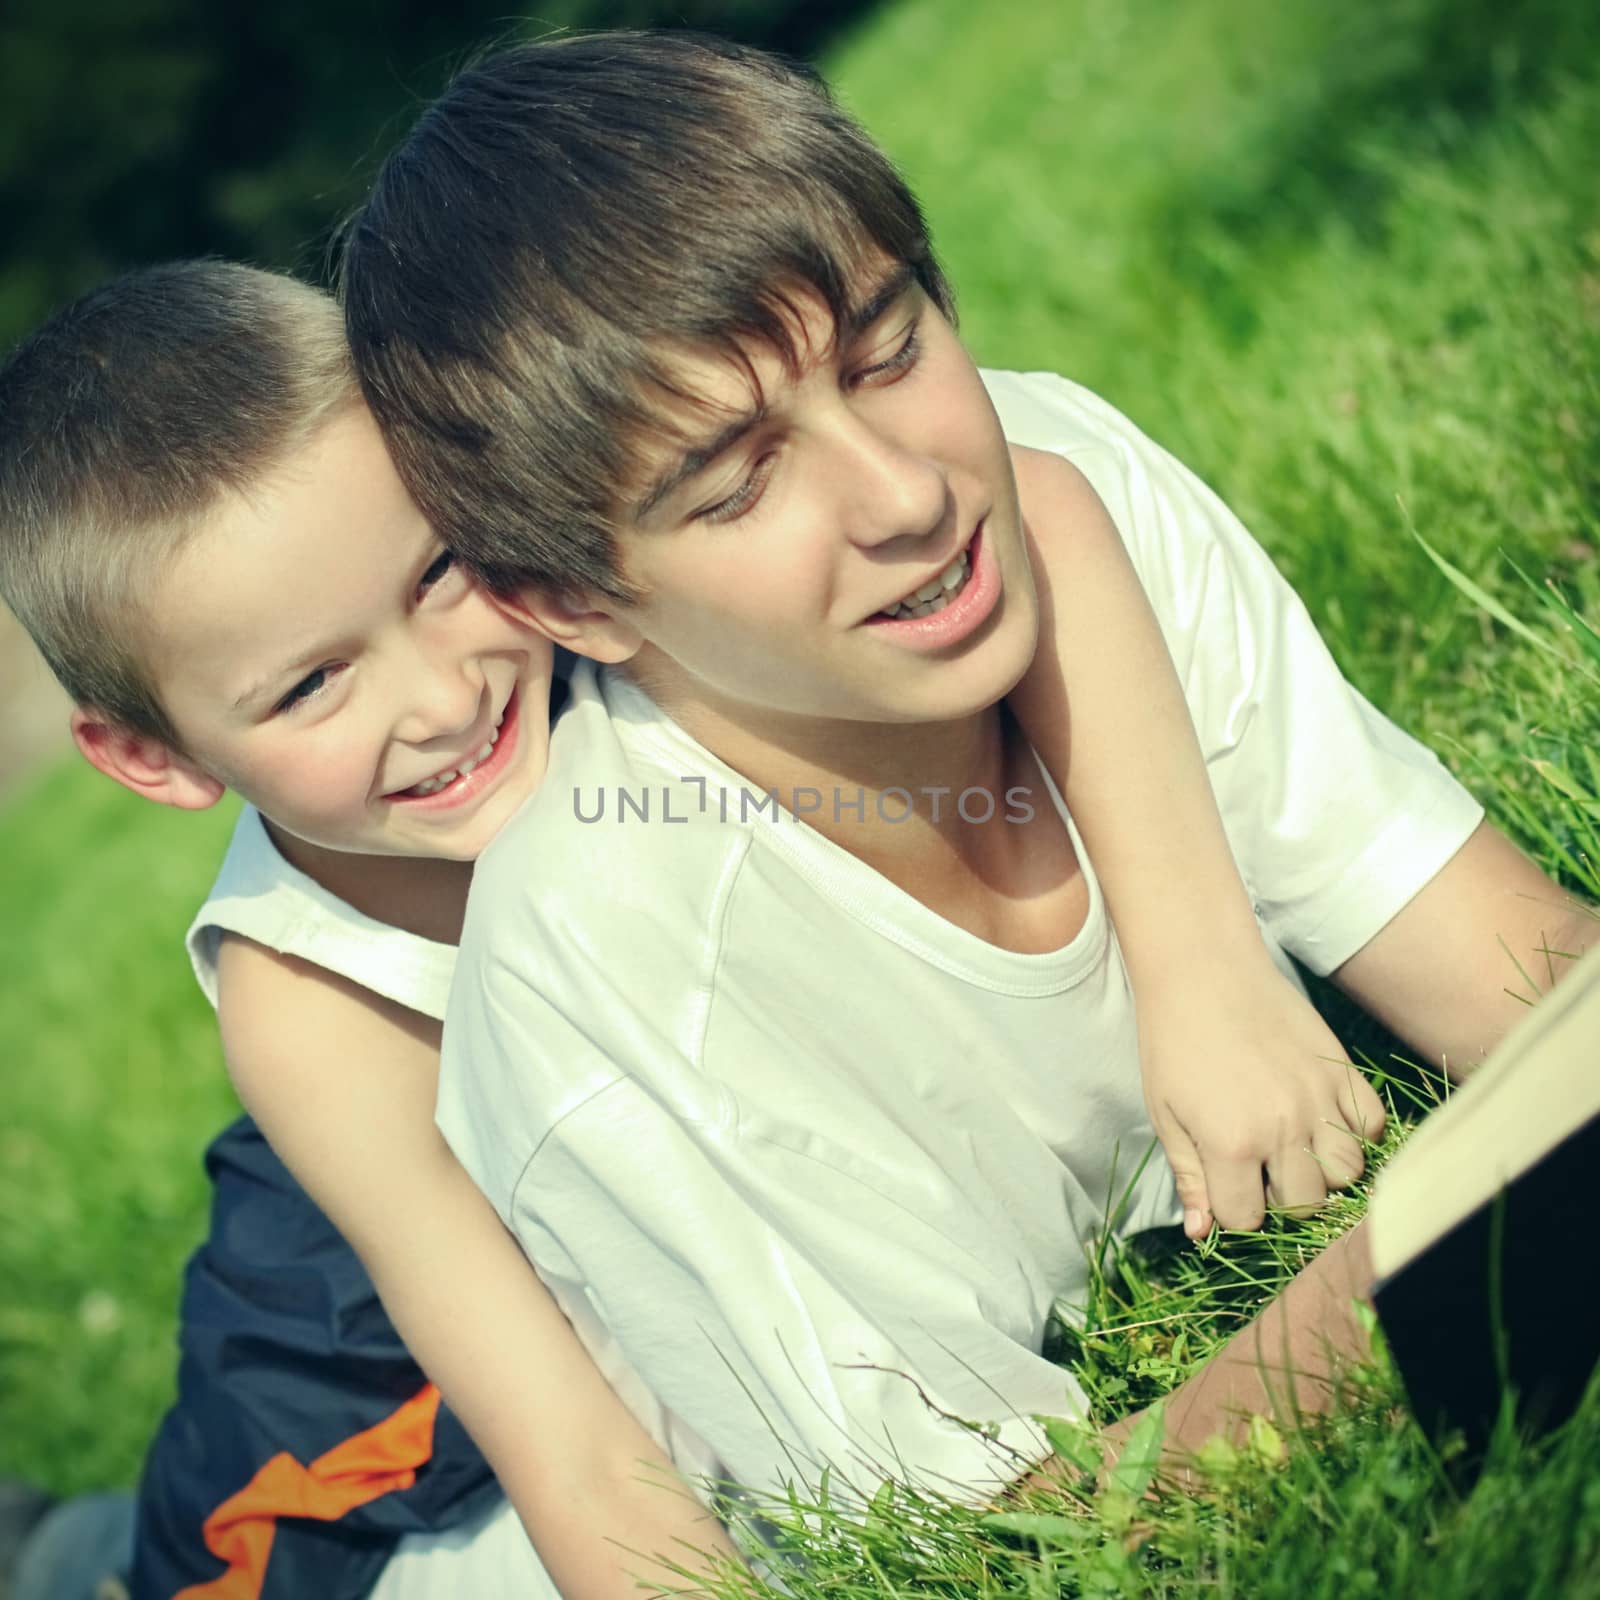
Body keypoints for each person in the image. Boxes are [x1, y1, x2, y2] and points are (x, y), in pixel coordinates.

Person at [0, 245, 1381, 1588]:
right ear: (154, 761)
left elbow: (1051, 518)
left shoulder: (626, 613)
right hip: (371, 1409)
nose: (440, 697)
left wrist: (1200, 966)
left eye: (434, 573)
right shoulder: (312, 1012)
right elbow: (586, 1469)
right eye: (310, 687)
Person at [341, 30, 1593, 1507]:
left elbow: (1512, 971)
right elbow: (1010, 1539)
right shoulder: (617, 981)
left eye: (890, 352)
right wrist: (1447, 1261)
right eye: (739, 484)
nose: (910, 493)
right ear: (574, 606)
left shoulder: (1060, 484)